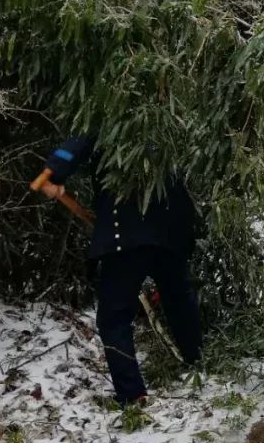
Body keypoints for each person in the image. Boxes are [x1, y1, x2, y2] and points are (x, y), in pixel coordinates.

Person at [38, 136, 203, 406]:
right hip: (169, 232)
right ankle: (198, 360)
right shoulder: (163, 116)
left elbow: (77, 145)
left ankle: (132, 394)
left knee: (114, 318)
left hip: (126, 239)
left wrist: (53, 172)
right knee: (179, 300)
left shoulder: (109, 114)